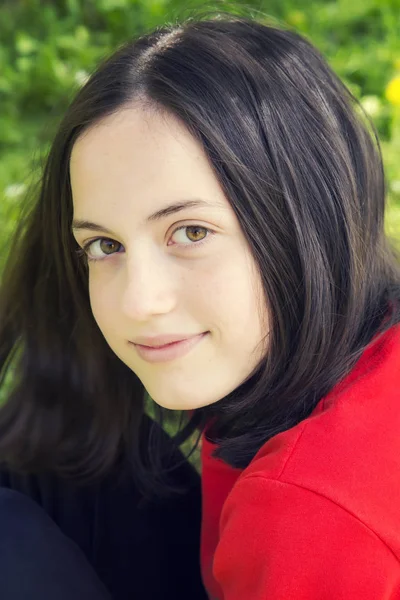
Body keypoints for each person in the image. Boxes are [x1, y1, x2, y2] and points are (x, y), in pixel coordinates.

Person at [1, 8, 400, 600]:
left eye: (190, 232)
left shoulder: (305, 521)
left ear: (307, 221)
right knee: (57, 464)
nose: (138, 302)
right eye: (104, 244)